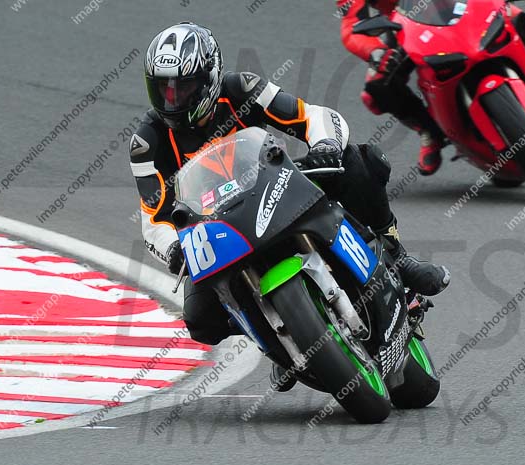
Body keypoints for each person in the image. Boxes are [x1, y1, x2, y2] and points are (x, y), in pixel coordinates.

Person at [130, 22, 450, 348]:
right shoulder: (147, 142)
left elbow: (310, 115)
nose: (172, 99)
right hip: (215, 228)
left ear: (209, 78)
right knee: (201, 322)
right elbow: (153, 219)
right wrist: (173, 247)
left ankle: (397, 256)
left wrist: (326, 144)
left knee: (357, 160)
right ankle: (276, 335)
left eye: (182, 88)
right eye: (163, 89)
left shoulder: (242, 88)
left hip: (273, 188)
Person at [337, 0, 525, 175]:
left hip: (461, 7)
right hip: (405, 29)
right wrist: (375, 52)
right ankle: (429, 132)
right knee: (376, 90)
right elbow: (351, 27)